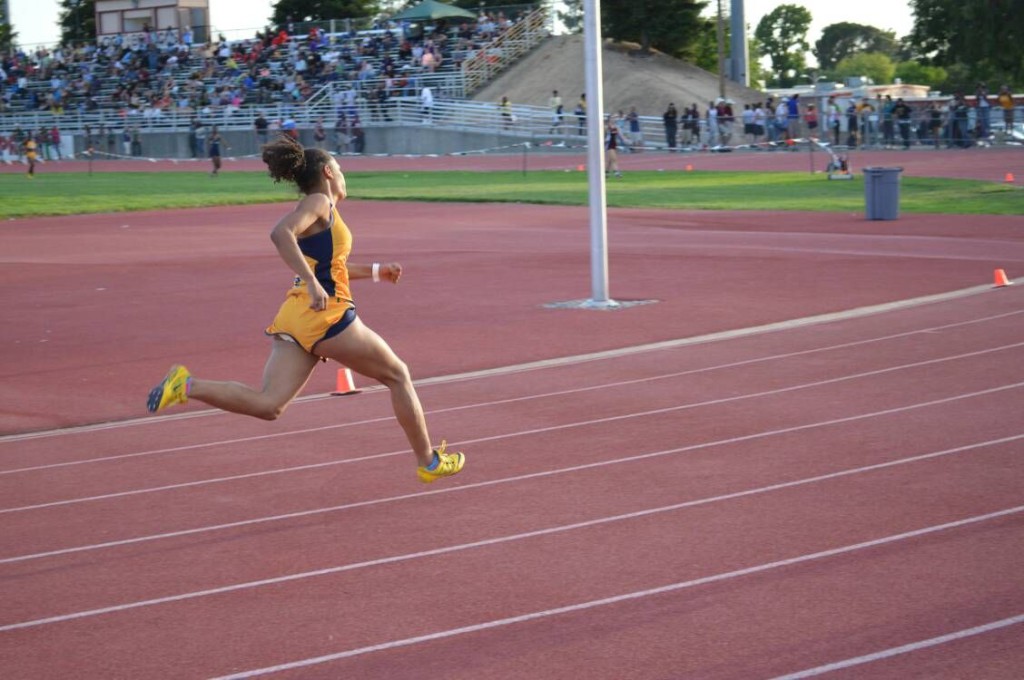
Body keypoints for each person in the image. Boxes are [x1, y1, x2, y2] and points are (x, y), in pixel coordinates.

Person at [146, 135, 465, 484]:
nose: (345, 175)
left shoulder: (327, 213)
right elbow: (280, 233)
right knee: (397, 375)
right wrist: (311, 282)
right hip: (325, 316)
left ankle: (186, 385)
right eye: (341, 169)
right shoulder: (318, 202)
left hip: (295, 317)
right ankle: (429, 461)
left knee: (269, 405)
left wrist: (376, 271)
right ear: (328, 172)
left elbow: (333, 265)